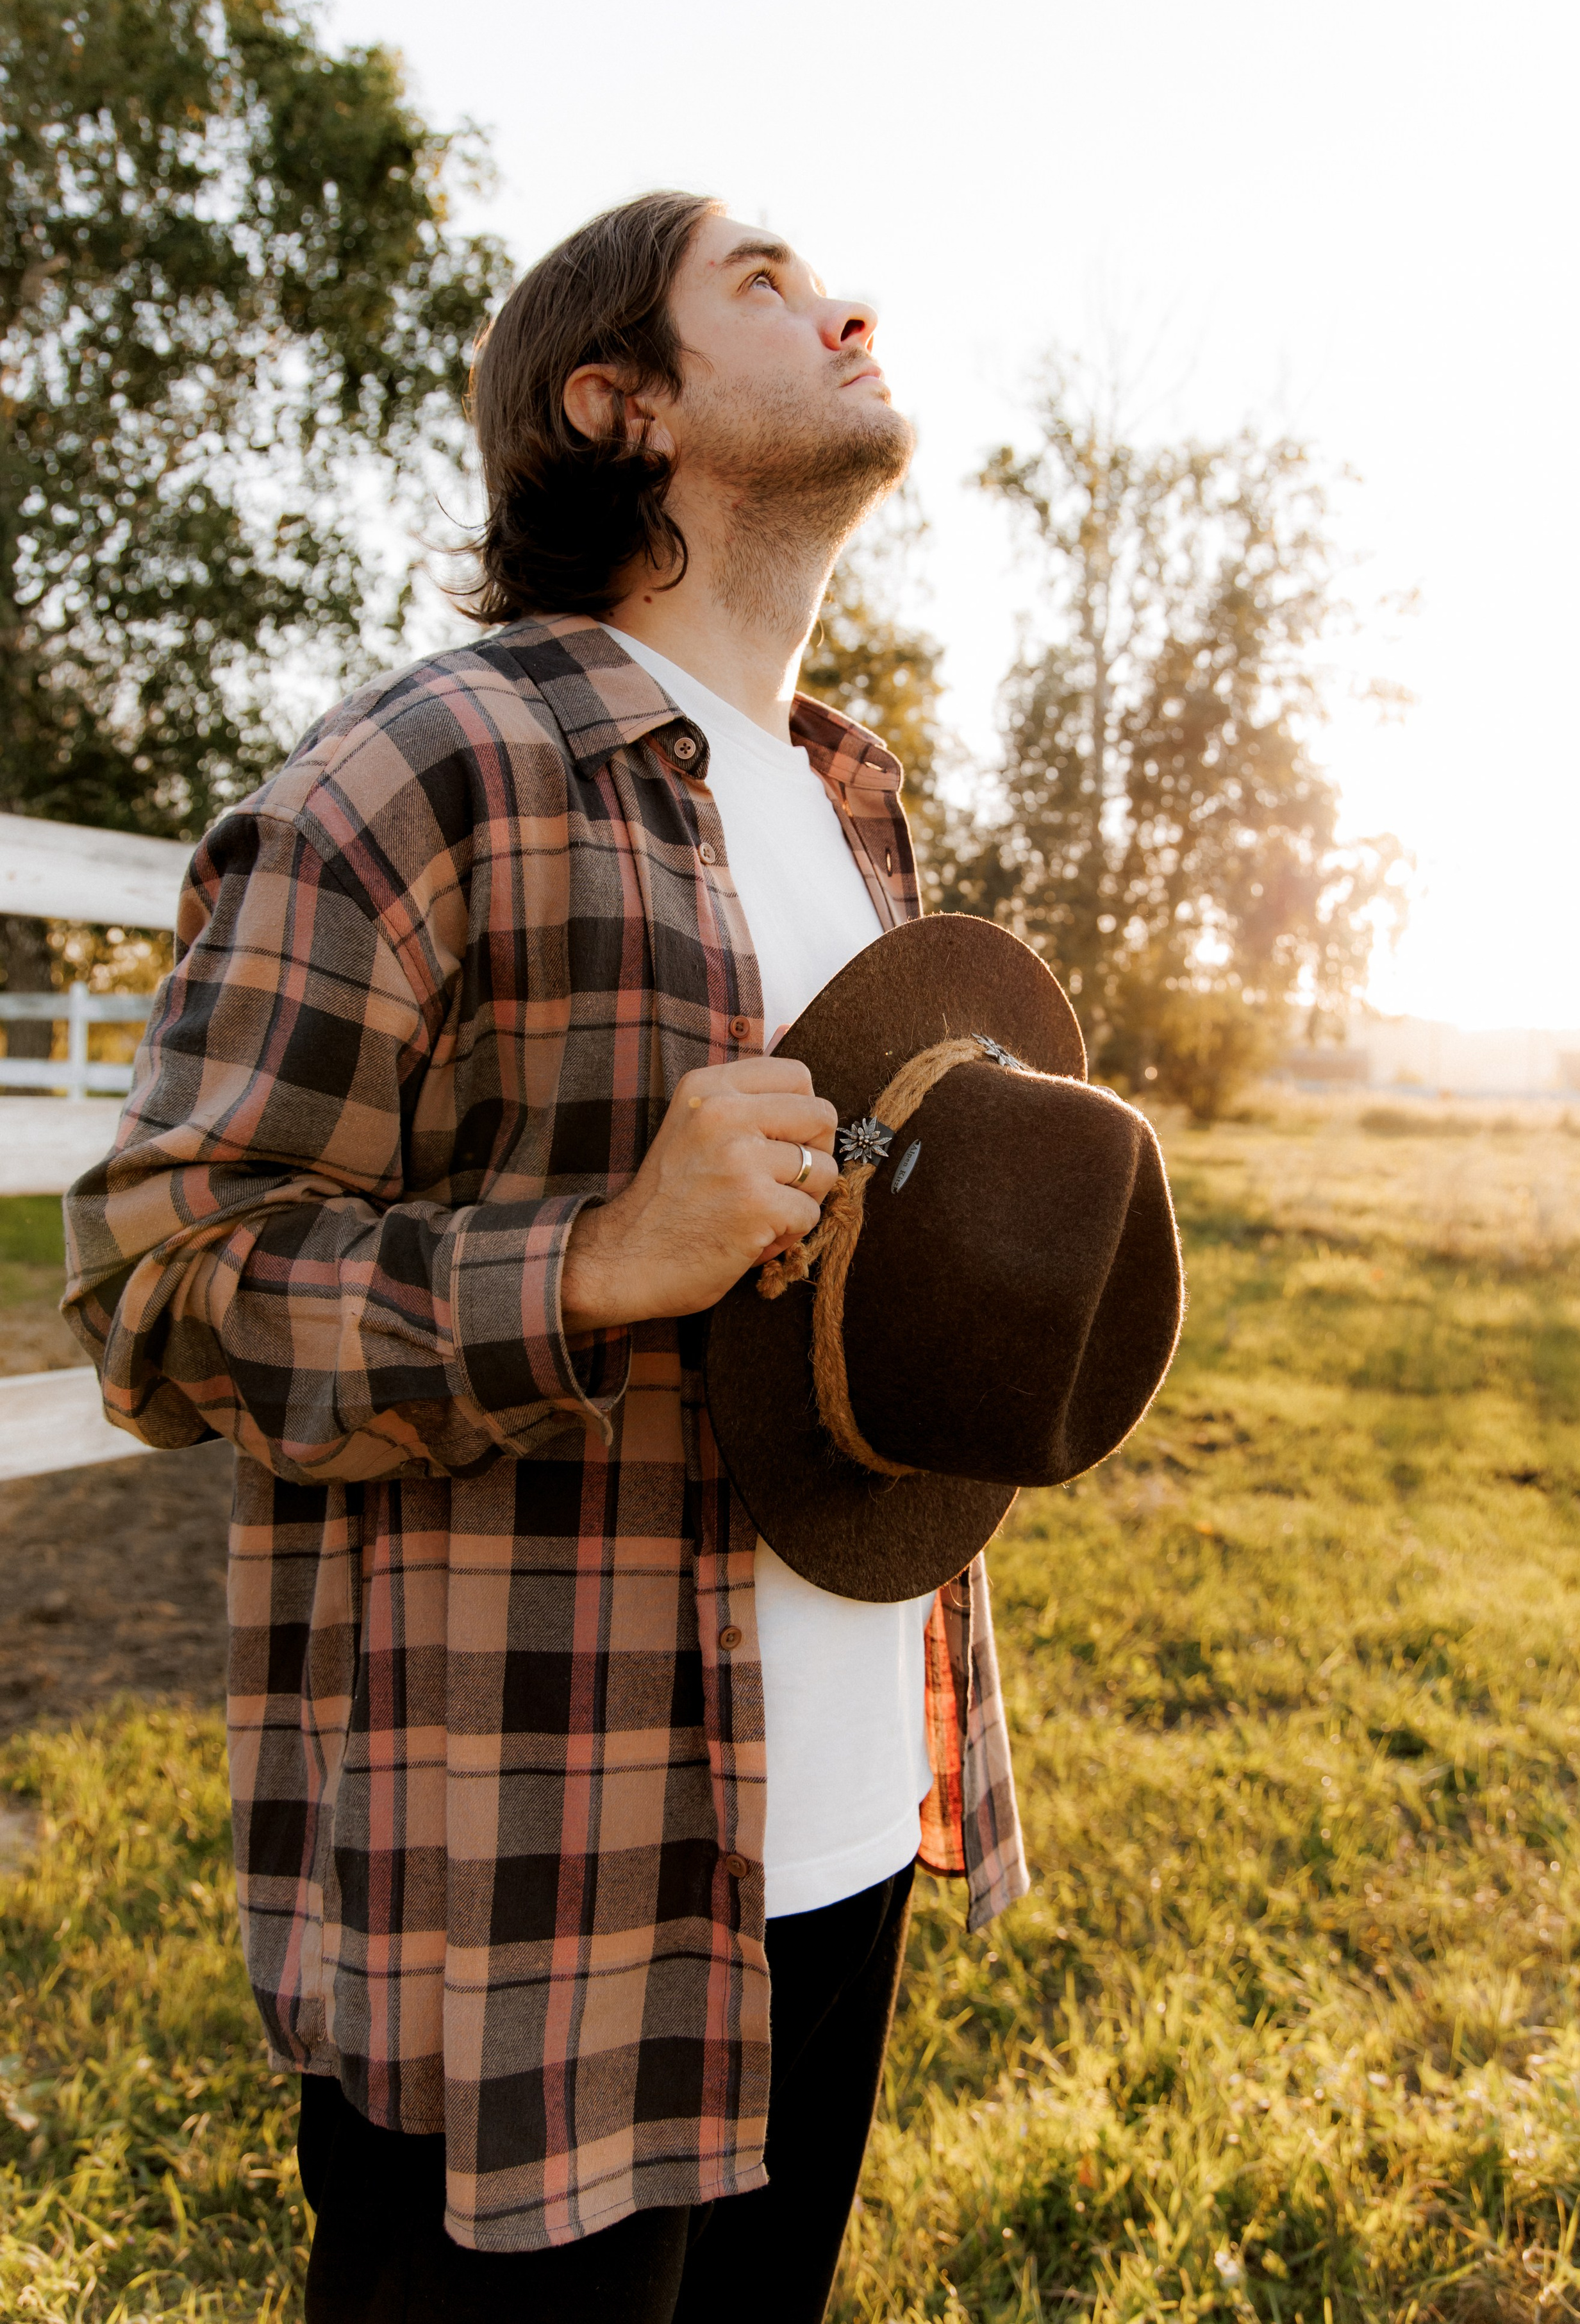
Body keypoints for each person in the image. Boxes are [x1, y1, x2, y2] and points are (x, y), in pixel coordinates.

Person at [63, 190, 1027, 2323]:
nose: (848, 297)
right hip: (528, 1916)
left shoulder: (854, 808)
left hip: (845, 1831)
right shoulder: (431, 769)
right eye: (763, 285)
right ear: (622, 406)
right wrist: (592, 1260)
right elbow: (159, 1295)